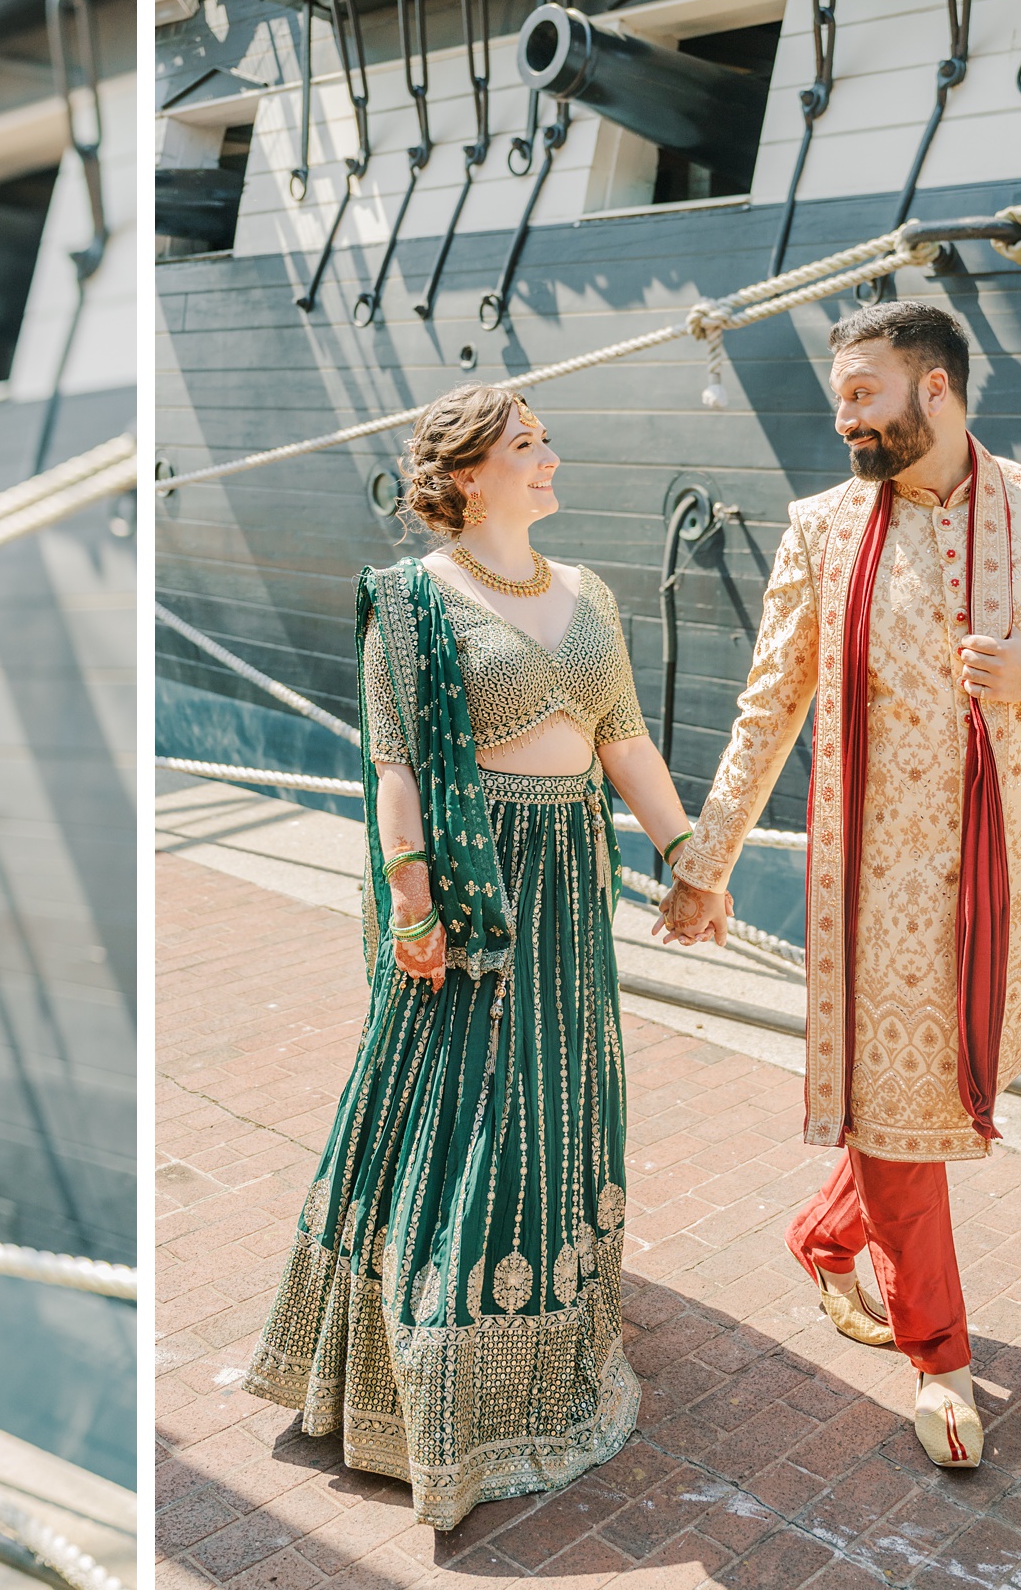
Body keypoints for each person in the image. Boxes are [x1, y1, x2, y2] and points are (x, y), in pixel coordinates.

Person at [661, 301, 1021, 1469]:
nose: (844, 417)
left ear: (935, 390)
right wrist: (705, 861)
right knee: (902, 1118)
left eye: (863, 393)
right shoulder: (825, 530)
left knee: (930, 1093)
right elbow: (769, 705)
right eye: (840, 396)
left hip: (1005, 886)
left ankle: (827, 1235)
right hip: (870, 898)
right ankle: (940, 1357)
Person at [243, 385, 706, 1529]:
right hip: (472, 888)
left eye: (547, 437)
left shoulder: (588, 593)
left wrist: (689, 853)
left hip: (572, 891)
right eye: (525, 445)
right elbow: (396, 767)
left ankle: (549, 1344)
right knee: (464, 1104)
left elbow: (623, 737)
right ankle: (435, 1375)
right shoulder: (409, 604)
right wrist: (412, 906)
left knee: (558, 1093)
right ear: (464, 478)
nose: (551, 456)